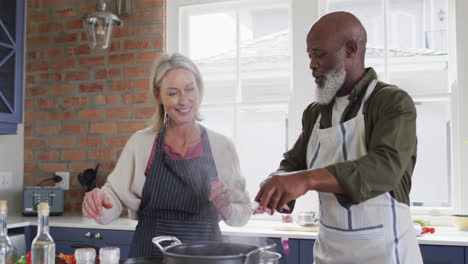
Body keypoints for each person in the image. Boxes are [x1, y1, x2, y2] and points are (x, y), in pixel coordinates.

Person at [255, 12, 423, 263]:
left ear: (351, 49)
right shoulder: (315, 112)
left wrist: (305, 180)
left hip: (387, 254)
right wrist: (278, 185)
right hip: (329, 254)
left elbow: (386, 166)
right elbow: (294, 163)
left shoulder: (390, 102)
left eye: (319, 54)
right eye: (309, 55)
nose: (312, 64)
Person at [82, 53, 251, 257]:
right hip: (150, 255)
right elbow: (114, 197)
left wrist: (226, 208)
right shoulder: (141, 143)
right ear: (157, 96)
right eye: (172, 93)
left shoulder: (222, 147)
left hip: (206, 257)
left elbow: (242, 212)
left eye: (190, 89)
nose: (183, 100)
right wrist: (99, 202)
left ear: (199, 89)